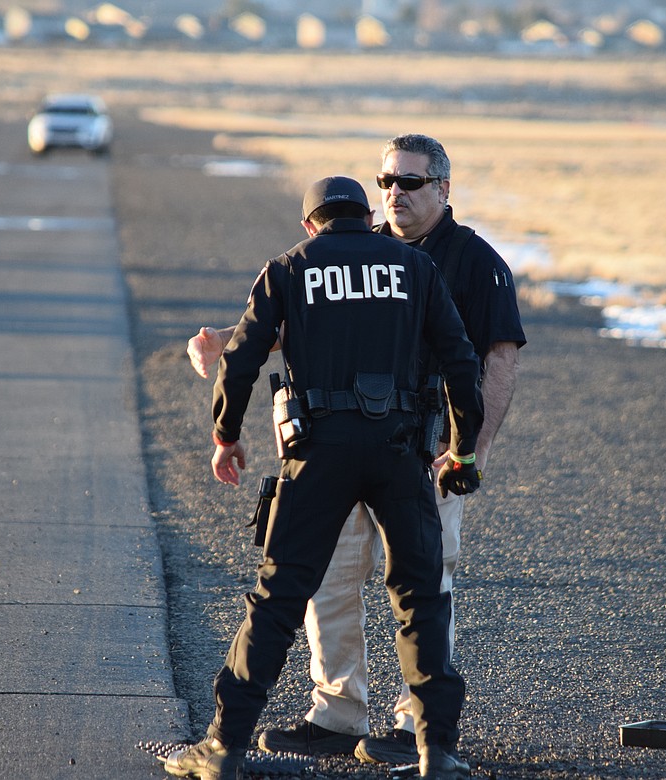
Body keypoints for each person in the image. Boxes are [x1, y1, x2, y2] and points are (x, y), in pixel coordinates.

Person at [186, 135, 525, 765]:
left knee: (424, 585)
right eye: (387, 181)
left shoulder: (474, 262)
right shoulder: (389, 257)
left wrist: (465, 453)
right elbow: (306, 321)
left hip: (425, 454)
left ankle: (408, 727)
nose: (396, 192)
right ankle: (339, 713)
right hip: (374, 450)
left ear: (443, 189)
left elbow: (494, 362)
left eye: (411, 182)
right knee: (333, 581)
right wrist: (228, 339)